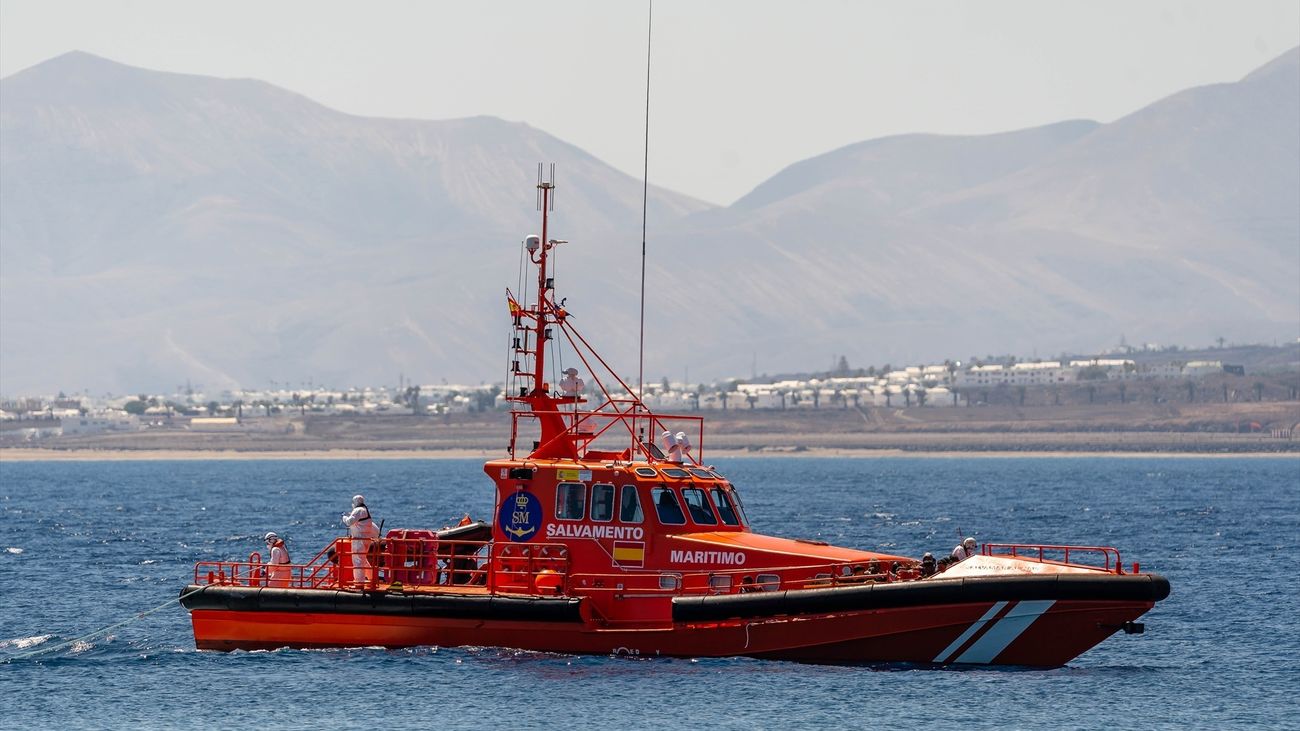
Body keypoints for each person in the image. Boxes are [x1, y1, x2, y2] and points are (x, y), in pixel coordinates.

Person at [342, 494, 381, 585]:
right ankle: (372, 578)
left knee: (358, 561)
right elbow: (373, 527)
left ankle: (359, 582)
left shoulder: (358, 510)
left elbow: (349, 522)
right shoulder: (365, 510)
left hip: (359, 539)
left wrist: (344, 518)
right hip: (367, 539)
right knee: (363, 560)